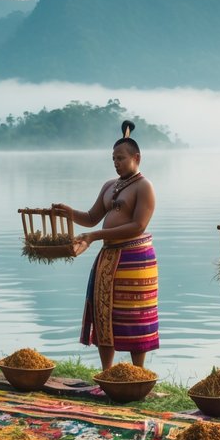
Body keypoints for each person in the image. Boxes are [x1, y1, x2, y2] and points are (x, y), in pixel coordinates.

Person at [52, 120, 159, 371]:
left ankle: (138, 374)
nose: (116, 163)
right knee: (104, 314)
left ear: (136, 158)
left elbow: (138, 225)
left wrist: (95, 236)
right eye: (113, 159)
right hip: (108, 257)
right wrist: (69, 213)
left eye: (121, 158)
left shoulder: (144, 186)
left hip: (135, 258)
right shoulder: (109, 186)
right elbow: (91, 218)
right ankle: (107, 373)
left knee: (134, 315)